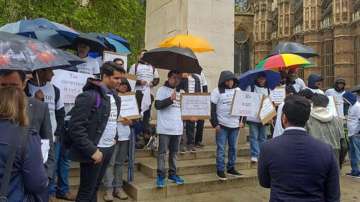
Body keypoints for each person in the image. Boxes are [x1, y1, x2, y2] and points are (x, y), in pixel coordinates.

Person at [258, 95, 340, 202]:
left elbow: (264, 182)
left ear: (284, 118)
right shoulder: (326, 149)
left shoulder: (268, 147)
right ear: (307, 119)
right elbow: (333, 193)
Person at [68, 62, 124, 201]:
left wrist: (114, 137)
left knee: (95, 187)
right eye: (116, 78)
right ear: (105, 76)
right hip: (94, 150)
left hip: (109, 148)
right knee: (86, 190)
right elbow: (75, 127)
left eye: (120, 79)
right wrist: (92, 150)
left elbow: (112, 120)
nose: (119, 82)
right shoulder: (89, 96)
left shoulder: (116, 97)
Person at [0, 70, 56, 201]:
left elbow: (48, 139)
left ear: (23, 84)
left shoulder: (39, 107)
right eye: (3, 85)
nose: (9, 91)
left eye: (14, 86)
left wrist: (47, 175)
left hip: (27, 182)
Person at [25, 68, 74, 201]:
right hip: (31, 138)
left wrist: (58, 132)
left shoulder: (55, 90)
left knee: (50, 164)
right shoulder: (26, 88)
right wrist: (34, 100)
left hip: (52, 137)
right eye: (50, 71)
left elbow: (61, 112)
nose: (52, 74)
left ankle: (50, 192)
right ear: (40, 72)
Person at [210, 70, 244, 180]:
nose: (230, 82)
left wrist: (243, 120)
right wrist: (215, 124)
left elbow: (243, 107)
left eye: (232, 80)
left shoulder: (238, 90)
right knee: (221, 148)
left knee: (233, 148)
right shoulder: (217, 92)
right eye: (228, 80)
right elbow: (212, 109)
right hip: (222, 125)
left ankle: (231, 168)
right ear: (223, 81)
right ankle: (220, 170)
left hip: (235, 125)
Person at [103, 78, 132, 201]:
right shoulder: (110, 98)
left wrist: (131, 121)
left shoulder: (131, 99)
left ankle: (118, 188)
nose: (123, 87)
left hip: (125, 135)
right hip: (111, 136)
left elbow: (135, 118)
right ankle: (108, 190)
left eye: (126, 85)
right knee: (110, 164)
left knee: (119, 164)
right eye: (121, 84)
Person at [155, 70, 184, 188]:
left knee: (174, 153)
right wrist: (170, 100)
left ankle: (173, 174)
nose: (176, 80)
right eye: (174, 77)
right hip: (164, 128)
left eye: (179, 78)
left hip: (177, 128)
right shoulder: (161, 90)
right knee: (162, 154)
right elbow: (157, 105)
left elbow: (185, 109)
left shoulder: (182, 92)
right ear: (169, 78)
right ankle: (161, 176)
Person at [129, 50, 160, 146]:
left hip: (149, 94)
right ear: (139, 56)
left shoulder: (153, 67)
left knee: (146, 116)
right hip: (137, 93)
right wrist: (139, 82)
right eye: (142, 55)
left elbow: (157, 79)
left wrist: (152, 83)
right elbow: (129, 78)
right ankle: (136, 136)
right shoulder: (135, 66)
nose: (144, 57)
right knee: (137, 114)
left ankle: (145, 137)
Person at [306, 94, 345, 165]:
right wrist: (339, 163)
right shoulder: (337, 120)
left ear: (312, 103)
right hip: (334, 156)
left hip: (315, 157)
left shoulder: (307, 119)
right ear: (327, 104)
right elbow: (344, 145)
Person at [246, 73, 270, 163]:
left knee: (263, 137)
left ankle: (262, 154)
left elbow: (270, 102)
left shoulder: (268, 89)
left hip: (264, 116)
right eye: (260, 78)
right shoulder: (251, 88)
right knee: (253, 136)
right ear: (257, 79)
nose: (261, 80)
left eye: (263, 79)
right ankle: (255, 154)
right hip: (253, 117)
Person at [178, 73, 202, 153]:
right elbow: (177, 88)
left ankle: (190, 144)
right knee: (181, 123)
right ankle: (180, 144)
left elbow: (198, 91)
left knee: (191, 124)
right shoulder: (181, 76)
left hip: (192, 102)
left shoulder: (196, 78)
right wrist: (181, 78)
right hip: (182, 101)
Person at [343, 92, 360, 178]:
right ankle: (355, 171)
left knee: (357, 153)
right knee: (352, 154)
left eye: (345, 99)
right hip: (351, 133)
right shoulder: (351, 106)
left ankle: (358, 171)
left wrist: (358, 132)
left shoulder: (357, 106)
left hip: (356, 134)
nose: (344, 101)